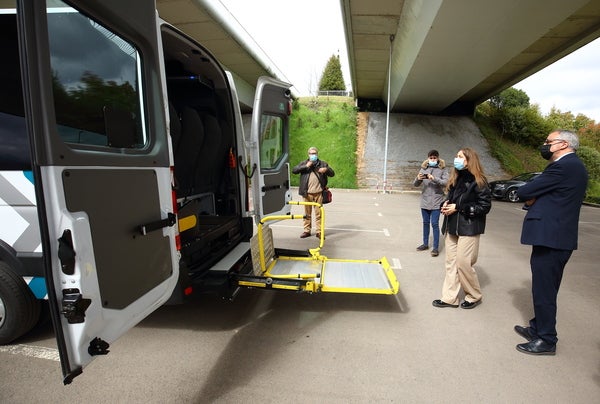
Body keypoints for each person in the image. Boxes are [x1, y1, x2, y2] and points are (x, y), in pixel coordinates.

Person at [513, 130, 588, 355]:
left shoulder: (565, 166)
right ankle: (538, 328)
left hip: (553, 239)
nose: (545, 145)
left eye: (548, 142)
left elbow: (525, 190)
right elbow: (543, 196)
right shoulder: (571, 167)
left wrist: (533, 195)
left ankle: (546, 339)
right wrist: (536, 196)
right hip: (554, 237)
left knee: (544, 290)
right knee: (544, 287)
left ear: (563, 144)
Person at [432, 147, 491, 309]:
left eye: (459, 156)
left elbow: (484, 206)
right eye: (456, 155)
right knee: (451, 263)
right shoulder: (455, 178)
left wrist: (458, 207)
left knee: (463, 263)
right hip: (451, 227)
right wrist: (445, 204)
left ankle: (474, 295)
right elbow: (450, 198)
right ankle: (449, 298)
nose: (456, 159)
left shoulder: (479, 181)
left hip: (469, 228)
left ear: (468, 160)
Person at [292, 146, 335, 238]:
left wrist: (326, 170)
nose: (313, 155)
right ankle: (307, 230)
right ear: (308, 154)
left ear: (317, 154)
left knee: (319, 214)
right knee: (307, 213)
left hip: (319, 193)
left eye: (314, 153)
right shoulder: (304, 163)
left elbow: (332, 174)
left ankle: (319, 232)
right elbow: (294, 170)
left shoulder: (323, 164)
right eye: (311, 154)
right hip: (306, 193)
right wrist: (305, 166)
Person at [413, 149, 449, 257]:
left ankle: (435, 248)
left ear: (438, 158)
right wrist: (418, 178)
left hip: (436, 201)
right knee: (425, 223)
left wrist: (434, 178)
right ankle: (425, 244)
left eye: (434, 157)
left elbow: (446, 182)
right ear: (428, 158)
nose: (432, 159)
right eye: (431, 157)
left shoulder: (443, 169)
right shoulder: (424, 168)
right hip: (425, 201)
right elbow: (415, 184)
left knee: (434, 224)